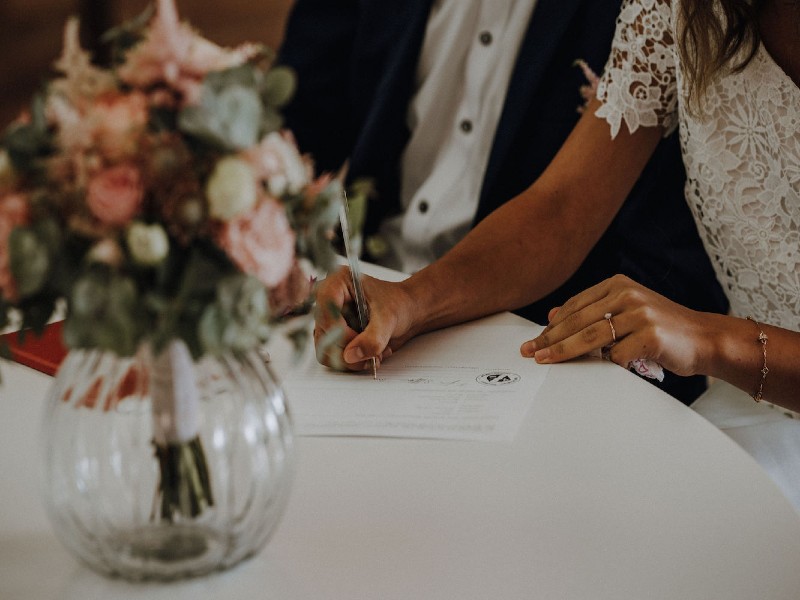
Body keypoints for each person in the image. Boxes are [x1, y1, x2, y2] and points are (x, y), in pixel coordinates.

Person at [314, 0, 800, 509]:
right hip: (751, 409)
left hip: (750, 383)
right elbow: (562, 208)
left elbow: (713, 340)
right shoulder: (680, 8)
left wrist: (712, 338)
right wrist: (411, 302)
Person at [277, 0, 728, 404]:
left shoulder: (667, 12)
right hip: (372, 301)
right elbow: (294, 127)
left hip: (546, 341)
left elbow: (574, 212)